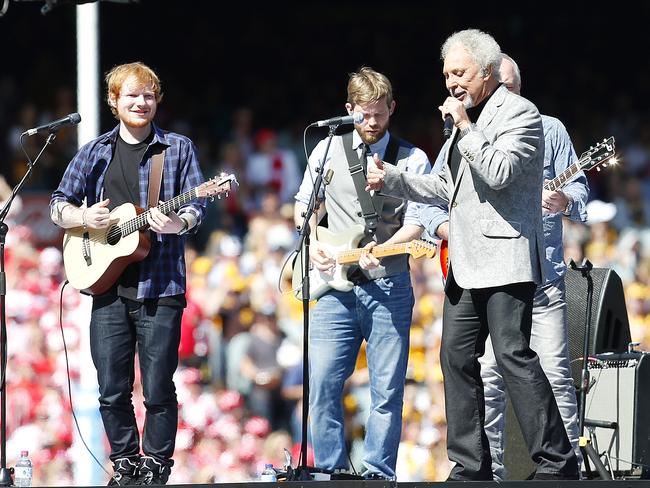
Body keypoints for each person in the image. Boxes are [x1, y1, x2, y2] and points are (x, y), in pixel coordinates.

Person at [366, 29, 579, 480]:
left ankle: (558, 461)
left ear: (486, 72)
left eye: (459, 72)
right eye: (446, 74)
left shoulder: (522, 114)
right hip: (464, 264)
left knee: (512, 356)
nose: (451, 83)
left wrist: (465, 127)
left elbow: (500, 172)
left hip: (505, 259)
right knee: (455, 359)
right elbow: (444, 186)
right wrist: (392, 180)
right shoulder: (462, 127)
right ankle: (470, 464)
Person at [419, 53, 589, 480]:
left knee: (552, 375)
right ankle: (484, 471)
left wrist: (565, 201)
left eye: (510, 89)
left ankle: (563, 470)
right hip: (481, 272)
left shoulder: (543, 127)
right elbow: (438, 196)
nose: (503, 97)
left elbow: (577, 189)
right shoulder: (466, 130)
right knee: (487, 377)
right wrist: (444, 228)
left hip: (540, 275)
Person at [50, 62, 206, 485]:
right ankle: (125, 464)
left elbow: (198, 205)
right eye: (132, 96)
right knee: (112, 389)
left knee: (158, 388)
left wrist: (181, 221)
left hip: (162, 286)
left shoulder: (177, 149)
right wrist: (83, 215)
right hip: (107, 287)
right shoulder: (95, 151)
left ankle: (156, 466)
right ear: (114, 102)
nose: (141, 103)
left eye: (149, 96)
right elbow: (58, 203)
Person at [293, 66, 431, 480]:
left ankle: (378, 472)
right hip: (334, 285)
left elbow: (420, 220)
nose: (372, 123)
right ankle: (330, 470)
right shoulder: (324, 149)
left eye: (380, 114)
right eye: (364, 114)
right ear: (349, 109)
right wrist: (313, 242)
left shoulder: (412, 159)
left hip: (388, 283)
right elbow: (304, 207)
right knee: (322, 386)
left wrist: (386, 250)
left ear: (392, 108)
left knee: (386, 390)